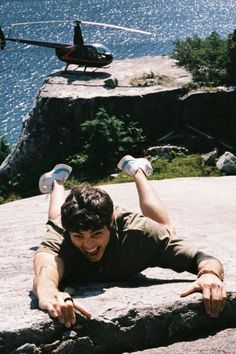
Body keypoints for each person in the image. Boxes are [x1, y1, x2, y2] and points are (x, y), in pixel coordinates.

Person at [33, 156, 226, 328]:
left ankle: (137, 169)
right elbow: (45, 271)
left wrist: (209, 275)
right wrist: (49, 293)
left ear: (111, 222)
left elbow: (203, 258)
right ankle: (57, 181)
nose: (89, 245)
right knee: (57, 217)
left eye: (96, 234)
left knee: (166, 228)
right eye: (78, 237)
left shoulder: (139, 232)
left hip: (132, 227)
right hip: (63, 224)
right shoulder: (61, 235)